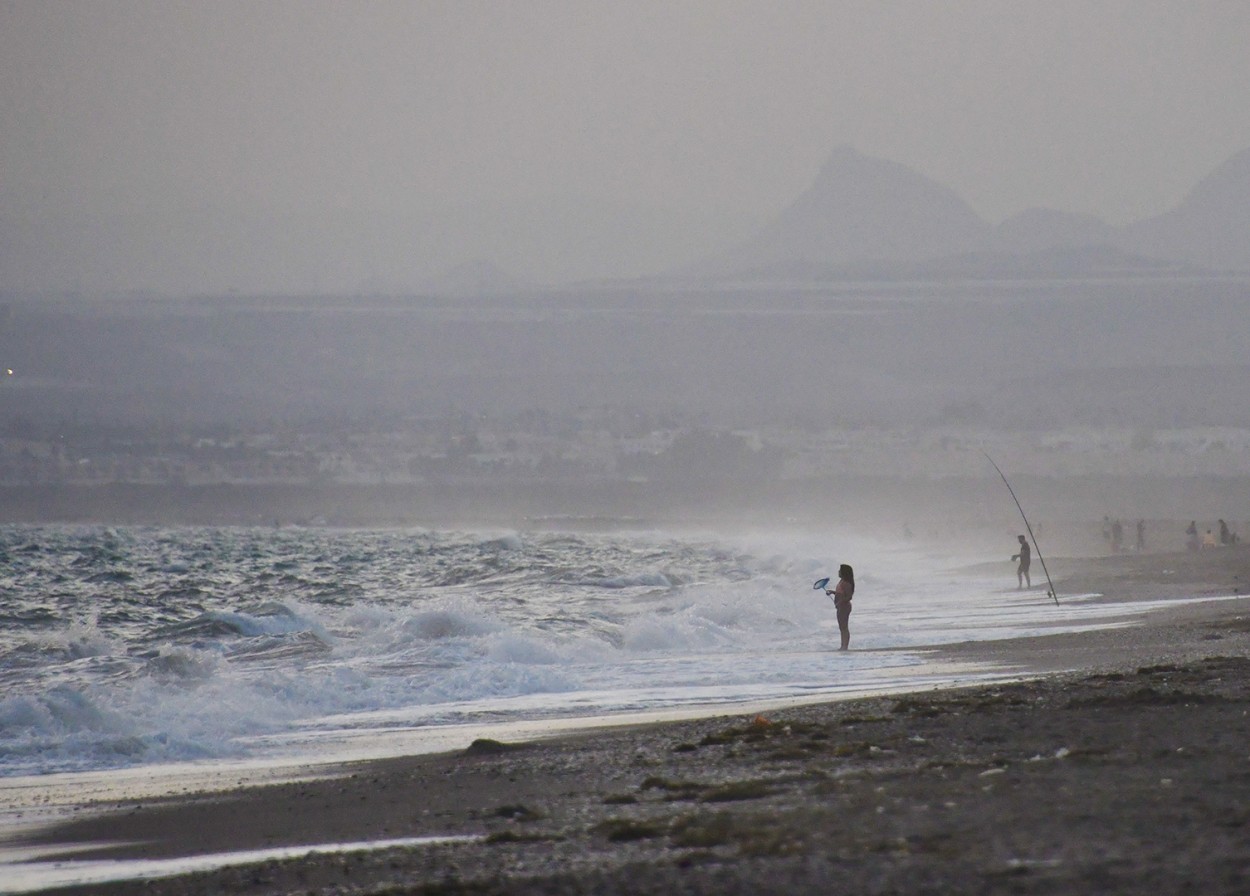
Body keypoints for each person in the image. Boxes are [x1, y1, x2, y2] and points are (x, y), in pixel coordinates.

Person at [824, 563, 855, 651]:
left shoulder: (846, 583)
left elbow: (849, 597)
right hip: (840, 607)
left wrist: (840, 602)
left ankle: (845, 646)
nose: (838, 572)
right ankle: (843, 645)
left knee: (844, 627)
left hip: (844, 607)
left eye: (840, 570)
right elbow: (840, 593)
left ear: (844, 572)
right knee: (841, 627)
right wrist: (832, 592)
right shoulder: (841, 582)